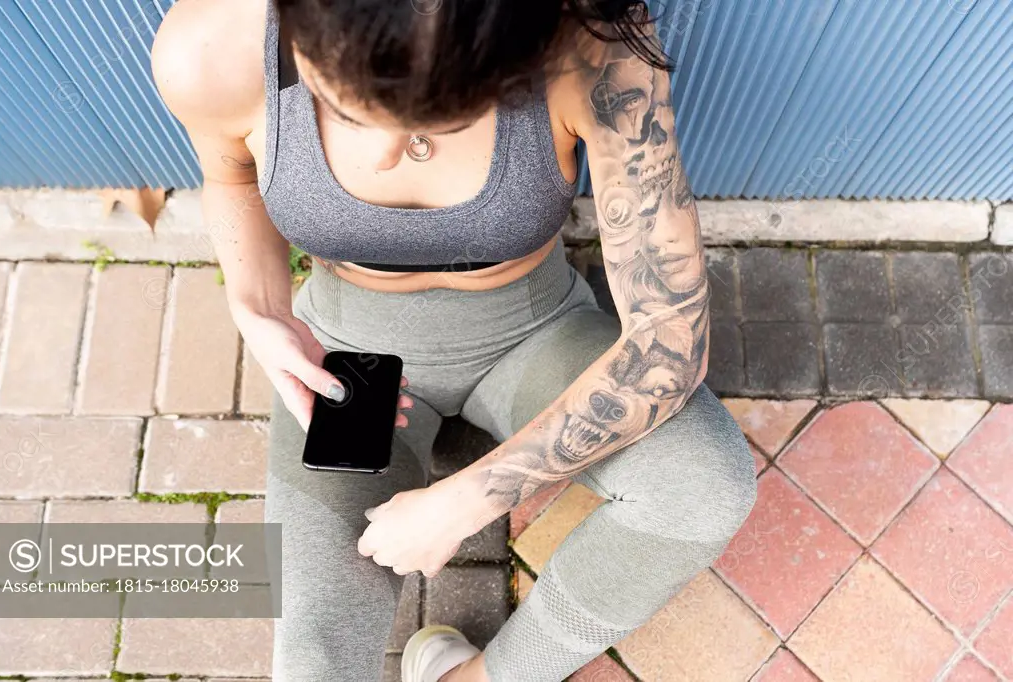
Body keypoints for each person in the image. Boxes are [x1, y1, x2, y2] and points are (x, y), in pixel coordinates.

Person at [153, 0, 756, 679]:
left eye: (438, 120)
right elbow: (229, 174)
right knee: (312, 660)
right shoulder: (209, 47)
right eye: (348, 109)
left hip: (533, 330)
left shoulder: (588, 38)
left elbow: (670, 339)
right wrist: (256, 306)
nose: (386, 158)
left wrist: (469, 501)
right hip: (351, 356)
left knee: (703, 490)